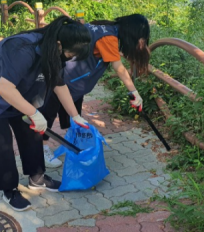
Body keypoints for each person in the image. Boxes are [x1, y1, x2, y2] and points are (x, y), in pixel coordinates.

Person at [0, 16, 91, 211]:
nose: (70, 58)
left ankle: (37, 177)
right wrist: (34, 112)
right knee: (2, 143)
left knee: (31, 134)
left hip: (17, 94)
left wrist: (75, 115)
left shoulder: (54, 51)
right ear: (59, 44)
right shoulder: (23, 49)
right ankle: (9, 189)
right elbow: (4, 89)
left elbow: (58, 83)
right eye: (70, 53)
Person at [40, 14, 149, 167]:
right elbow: (118, 67)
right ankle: (41, 149)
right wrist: (134, 92)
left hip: (73, 81)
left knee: (73, 115)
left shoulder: (104, 27)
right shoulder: (109, 38)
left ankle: (72, 143)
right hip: (62, 79)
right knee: (48, 114)